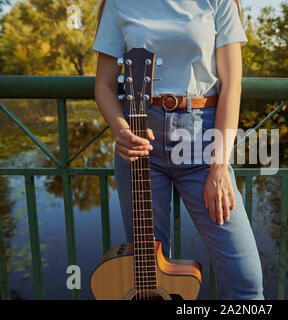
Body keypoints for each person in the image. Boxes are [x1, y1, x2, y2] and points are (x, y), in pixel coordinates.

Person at [92, 0, 264, 300]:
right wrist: (121, 131)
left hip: (203, 142)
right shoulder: (119, 4)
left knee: (246, 282)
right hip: (140, 147)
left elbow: (232, 85)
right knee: (149, 280)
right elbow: (104, 86)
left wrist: (220, 166)